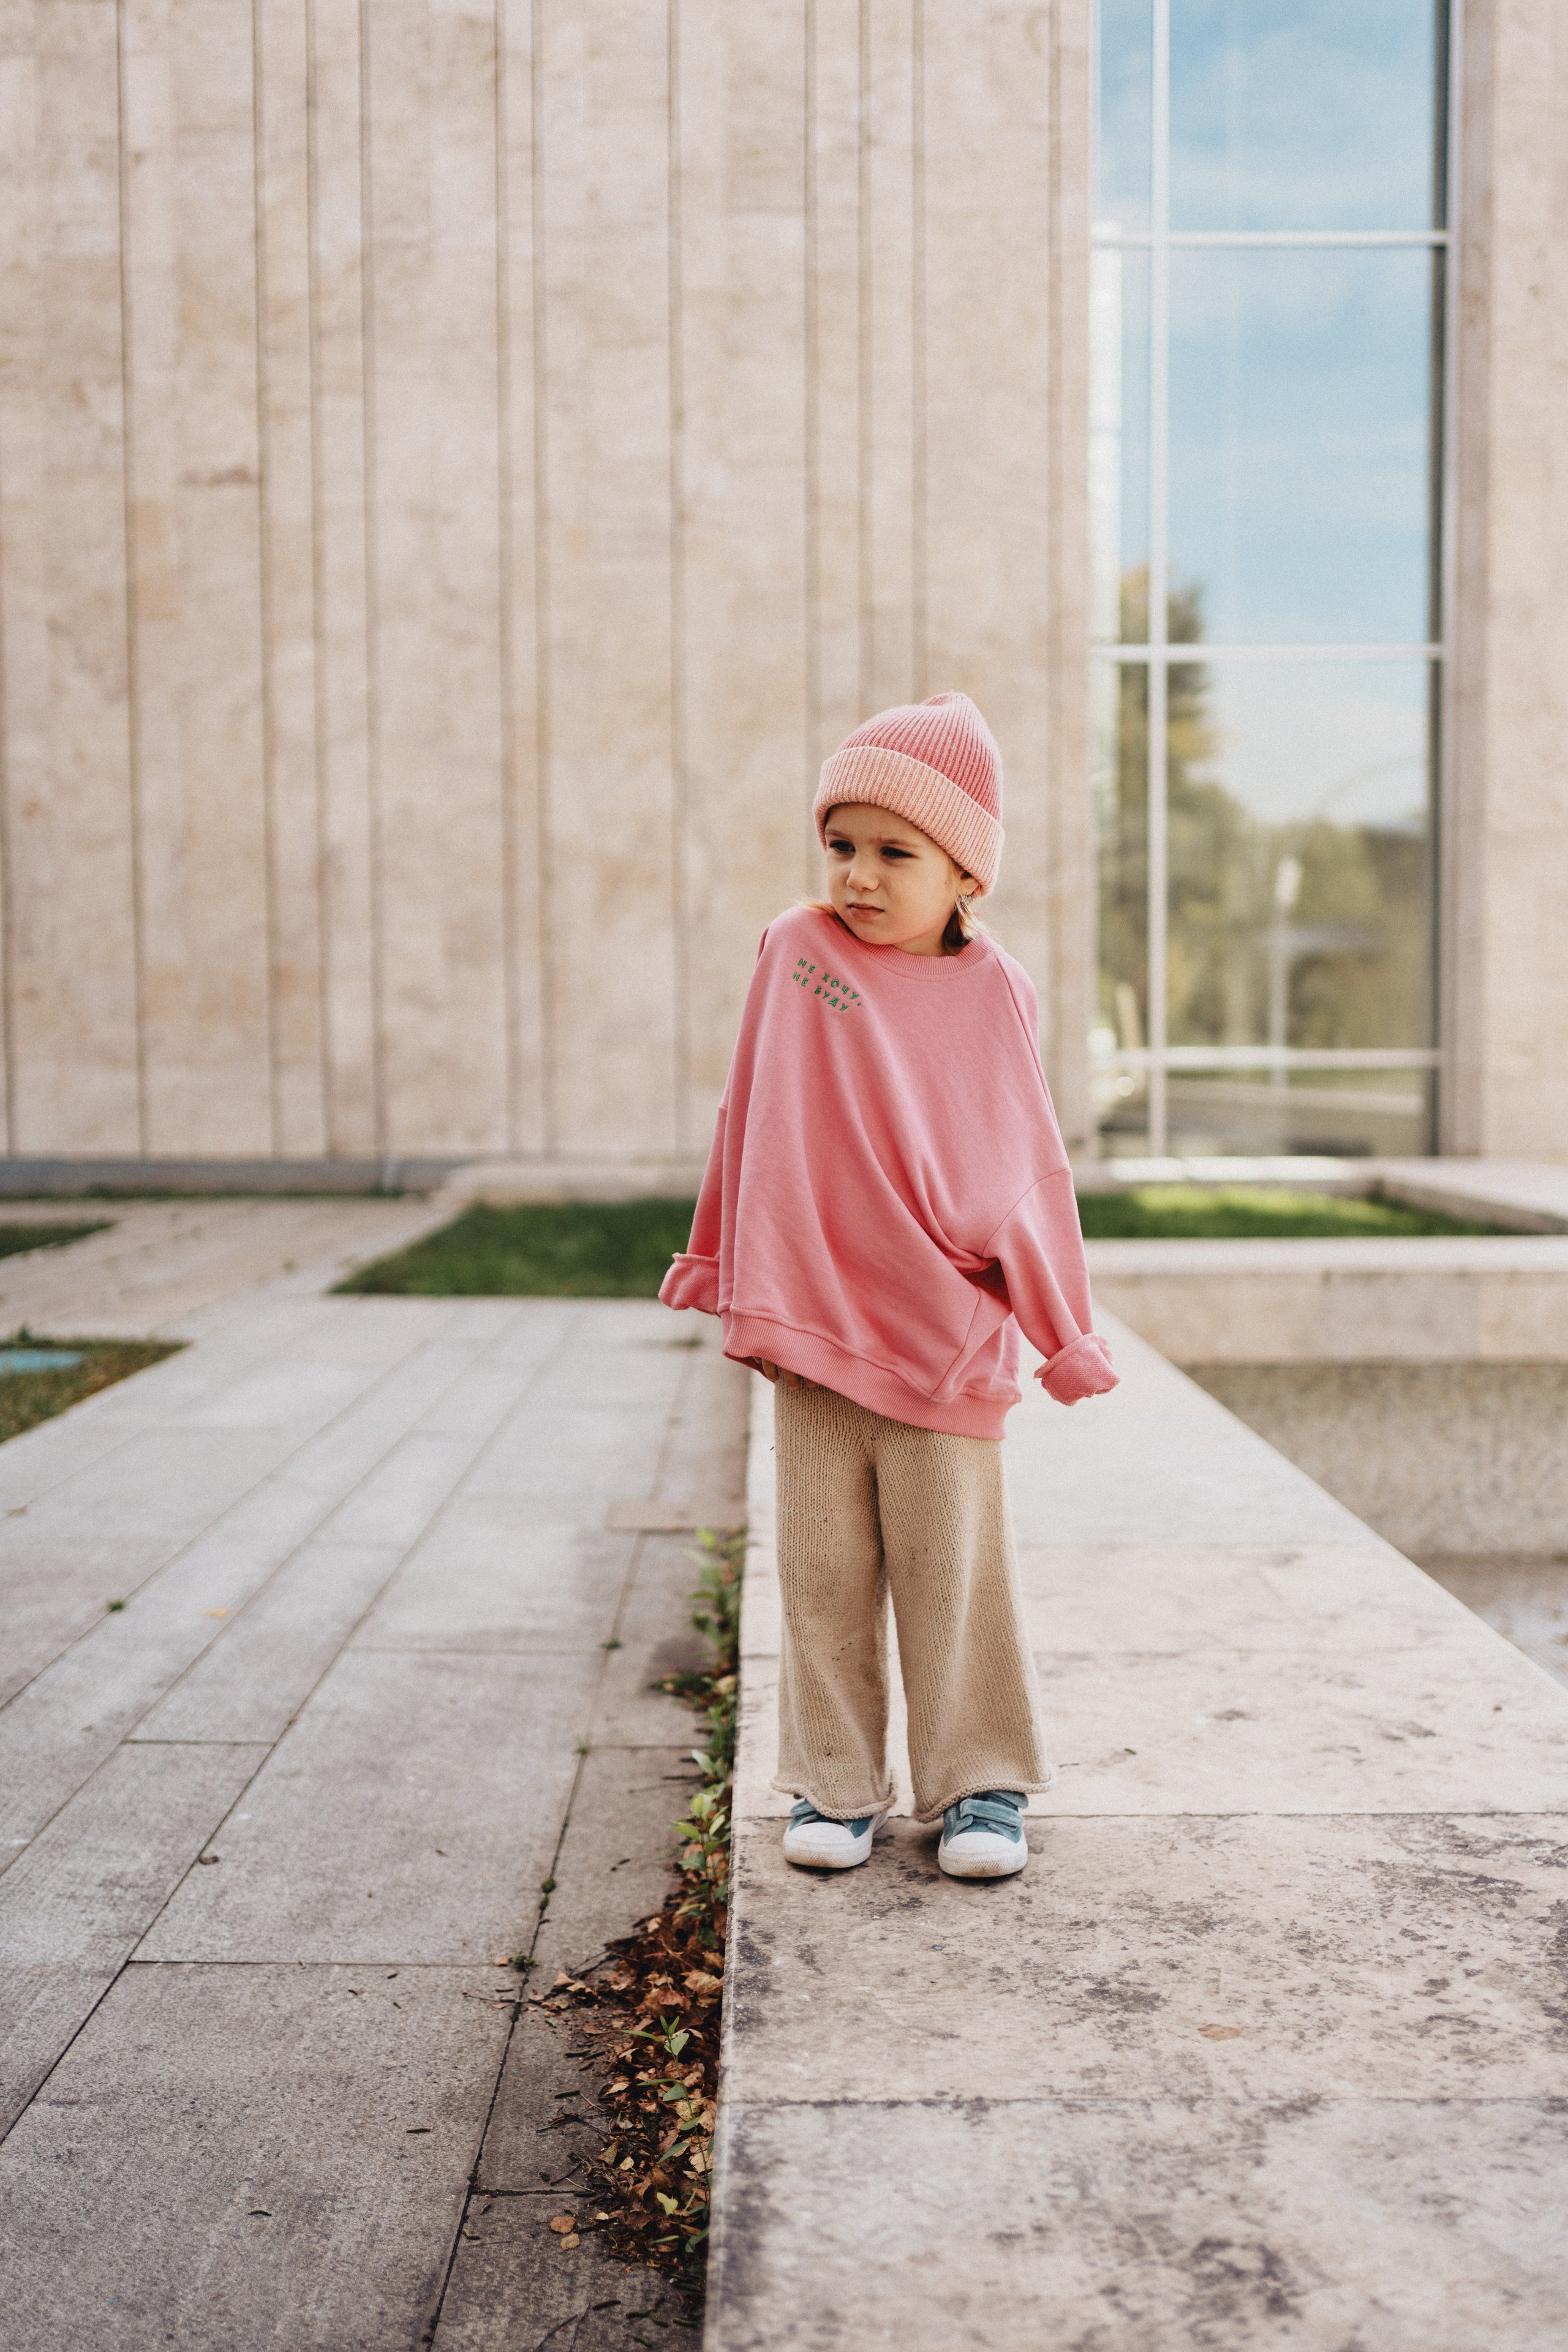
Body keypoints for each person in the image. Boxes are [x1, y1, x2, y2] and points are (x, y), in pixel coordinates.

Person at [659, 692, 1117, 1882]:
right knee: (820, 1573)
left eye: (893, 852)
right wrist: (721, 1270)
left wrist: (1060, 1333)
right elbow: (747, 1115)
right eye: (842, 845)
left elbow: (1024, 1163)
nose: (858, 875)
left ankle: (980, 1785)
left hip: (940, 1335)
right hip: (810, 1330)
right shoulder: (797, 955)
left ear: (964, 871)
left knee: (951, 1576)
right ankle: (834, 1786)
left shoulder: (993, 993)